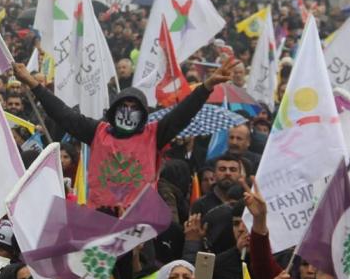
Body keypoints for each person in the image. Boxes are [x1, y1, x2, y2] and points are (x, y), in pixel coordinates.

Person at [12, 59, 235, 211]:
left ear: (144, 114)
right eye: (123, 106)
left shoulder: (154, 134)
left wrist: (206, 86)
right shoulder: (97, 132)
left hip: (138, 223)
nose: (128, 112)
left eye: (134, 107)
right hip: (100, 219)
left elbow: (182, 113)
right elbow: (63, 114)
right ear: (113, 110)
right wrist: (33, 84)